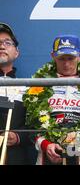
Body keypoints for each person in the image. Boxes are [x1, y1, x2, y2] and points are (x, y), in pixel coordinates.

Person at [23, 35, 80, 165]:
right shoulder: (39, 84)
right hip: (47, 159)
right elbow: (31, 125)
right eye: (62, 58)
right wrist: (46, 145)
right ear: (53, 56)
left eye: (71, 58)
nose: (66, 63)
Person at [0, 23, 29, 165]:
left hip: (16, 157)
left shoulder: (28, 88)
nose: (2, 46)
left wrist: (18, 137)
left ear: (16, 52)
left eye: (7, 42)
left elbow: (35, 127)